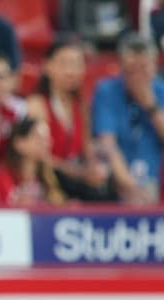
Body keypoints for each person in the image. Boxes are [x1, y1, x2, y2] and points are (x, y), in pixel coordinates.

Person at [26, 35, 109, 199]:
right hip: (47, 181)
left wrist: (95, 168)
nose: (71, 71)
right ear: (47, 66)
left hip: (77, 182)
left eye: (77, 64)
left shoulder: (82, 107)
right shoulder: (36, 105)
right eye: (64, 64)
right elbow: (40, 157)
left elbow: (87, 149)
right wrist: (78, 173)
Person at [92, 32, 164, 205]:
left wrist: (151, 106)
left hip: (154, 177)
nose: (138, 76)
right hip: (118, 180)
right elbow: (107, 144)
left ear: (154, 66)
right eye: (132, 70)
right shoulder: (107, 91)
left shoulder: (161, 91)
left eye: (143, 69)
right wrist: (130, 186)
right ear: (121, 67)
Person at [5, 115, 65, 206]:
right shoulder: (3, 177)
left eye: (47, 138)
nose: (46, 143)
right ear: (19, 143)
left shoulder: (51, 177)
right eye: (39, 138)